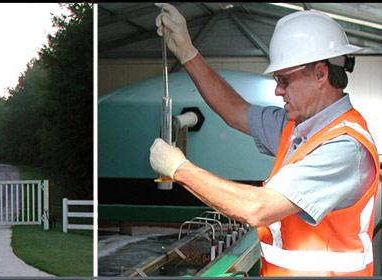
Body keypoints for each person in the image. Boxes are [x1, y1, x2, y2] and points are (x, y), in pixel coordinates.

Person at [149, 3, 377, 277]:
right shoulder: (296, 127)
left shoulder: (345, 146)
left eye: (285, 79)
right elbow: (234, 110)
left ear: (320, 74)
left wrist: (179, 168)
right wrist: (188, 52)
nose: (278, 90)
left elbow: (258, 208)